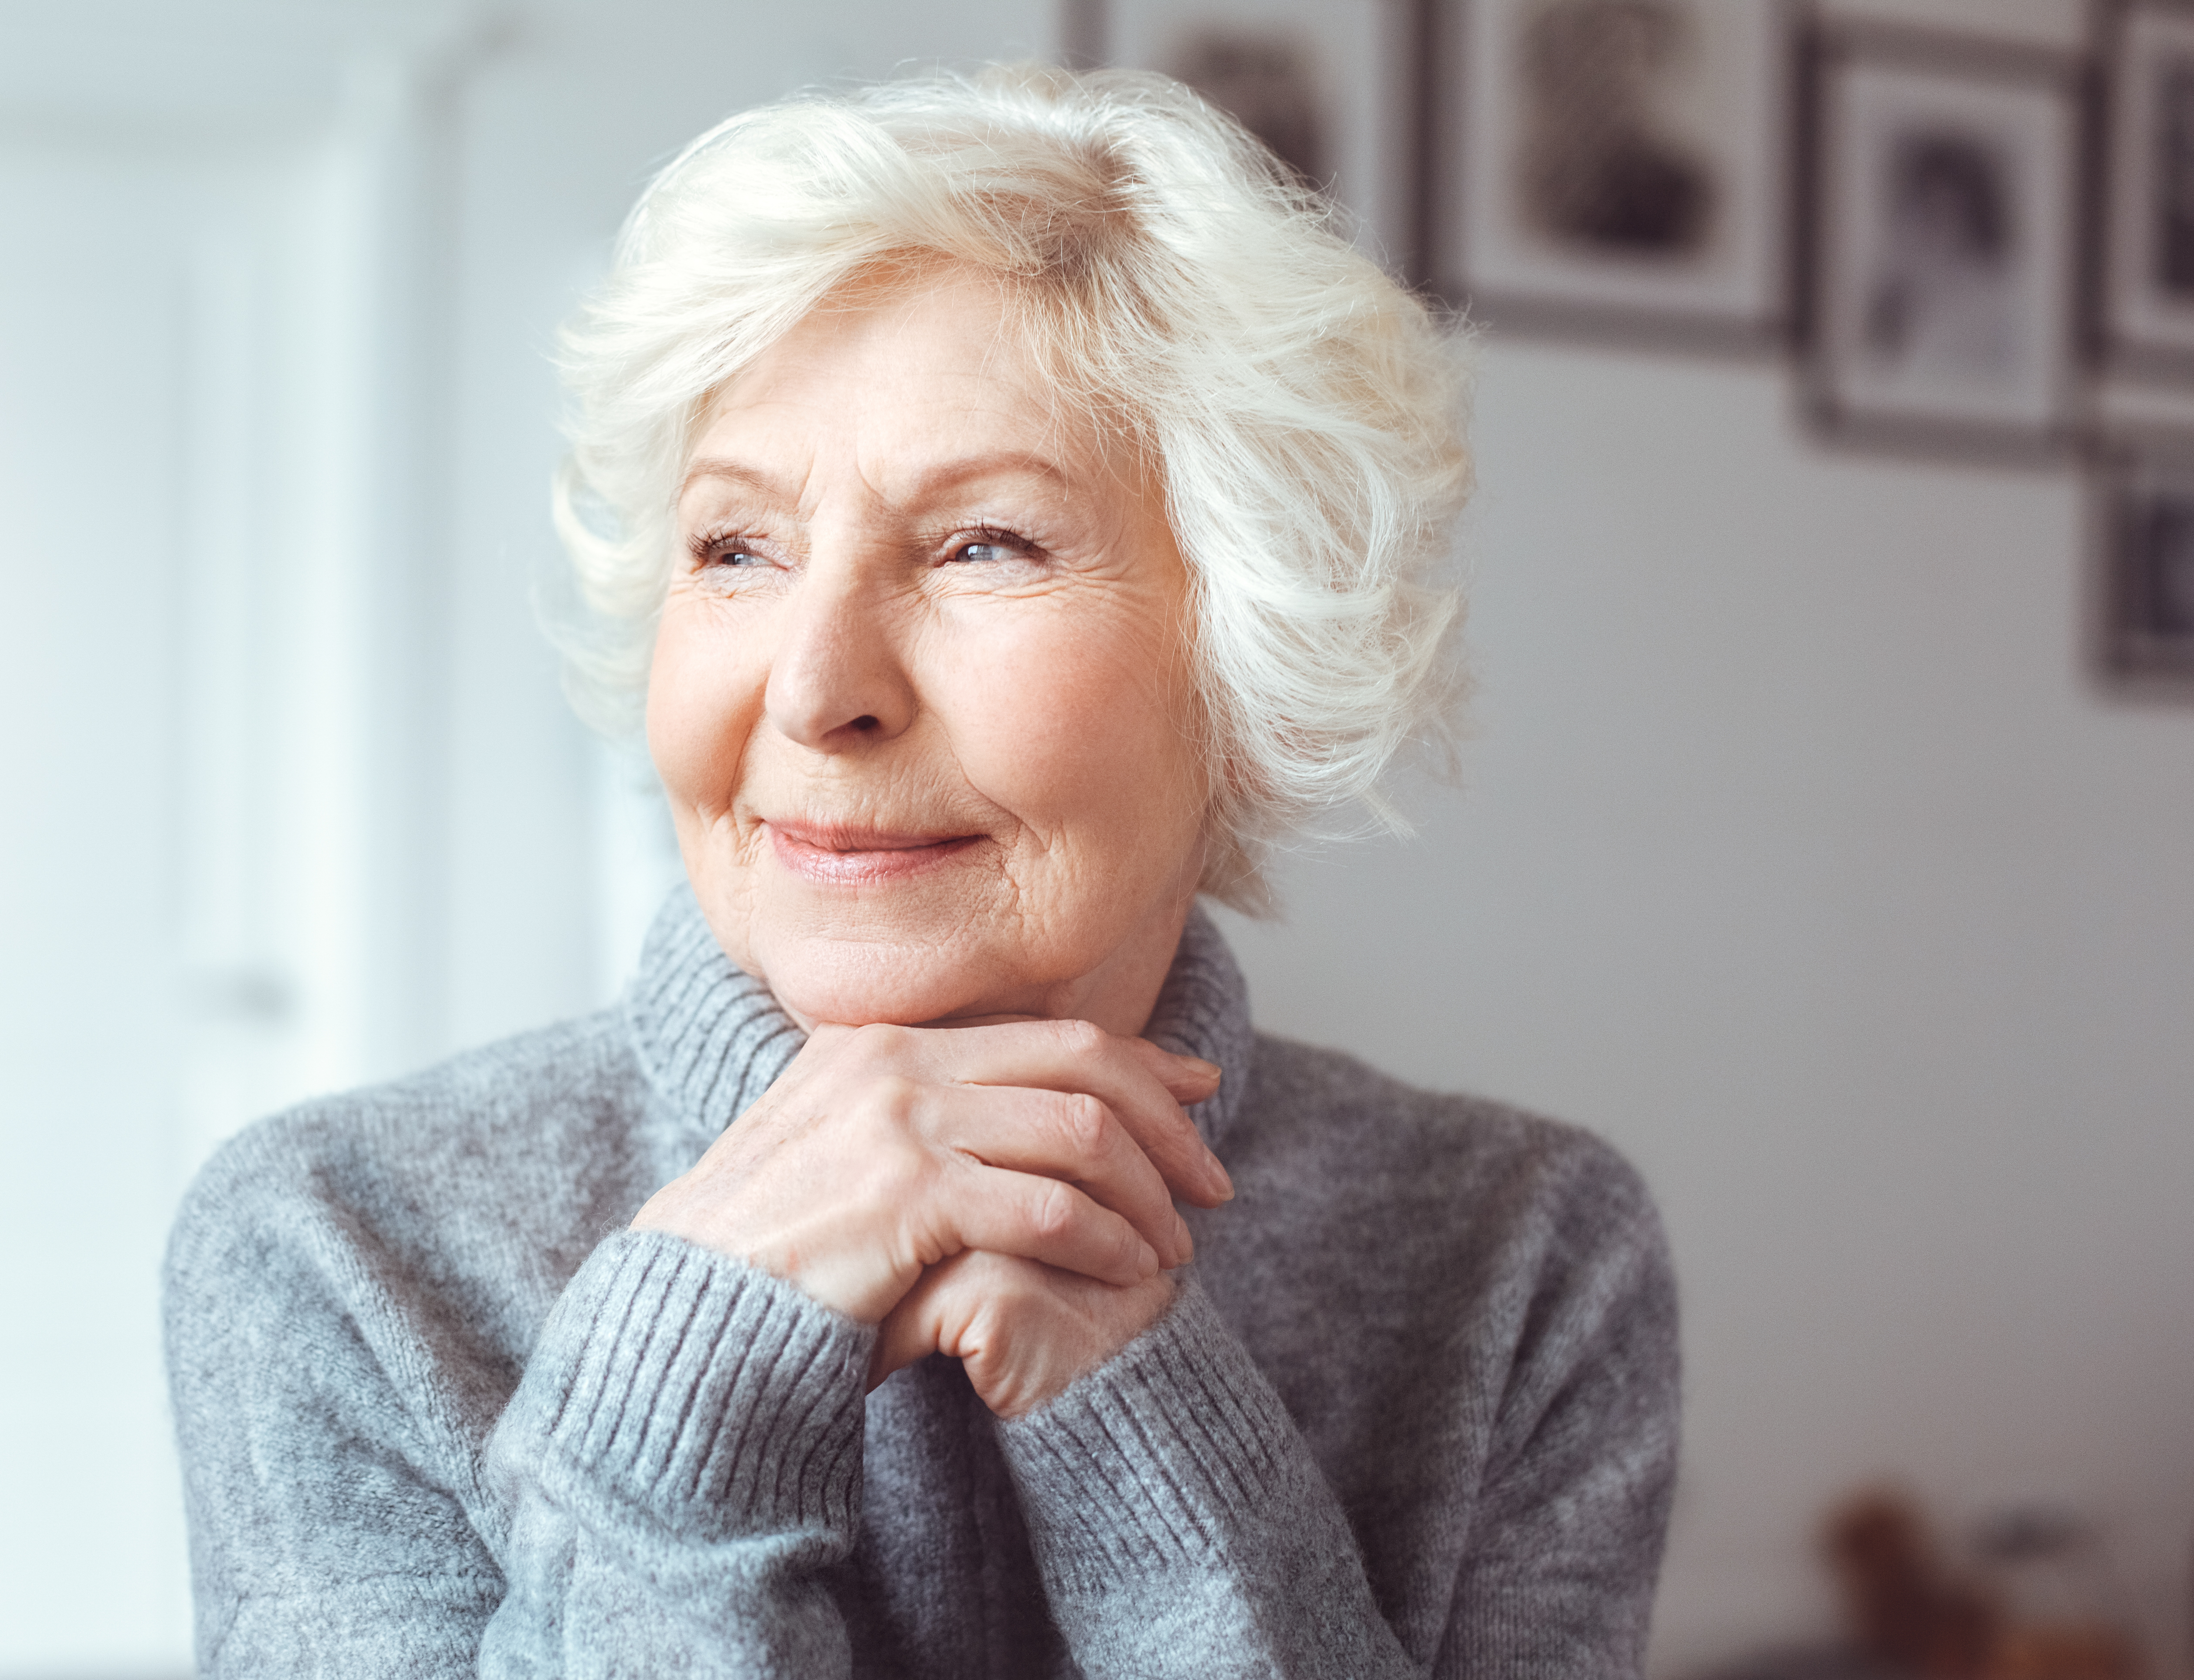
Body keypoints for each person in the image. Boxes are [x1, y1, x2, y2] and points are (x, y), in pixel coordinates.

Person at [165, 64, 1679, 1679]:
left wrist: (1145, 1415)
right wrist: (693, 1379)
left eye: (983, 545)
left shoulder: (1522, 1256)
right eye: (737, 547)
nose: (818, 690)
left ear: (1250, 661)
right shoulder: (332, 1246)